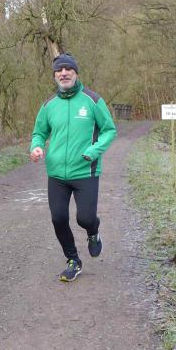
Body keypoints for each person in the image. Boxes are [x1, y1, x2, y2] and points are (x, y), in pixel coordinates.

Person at [29, 53, 117, 282]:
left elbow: (109, 130)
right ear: (55, 76)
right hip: (57, 174)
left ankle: (93, 231)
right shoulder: (49, 105)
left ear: (76, 73)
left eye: (68, 69)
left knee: (85, 219)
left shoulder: (92, 100)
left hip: (86, 171)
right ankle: (73, 260)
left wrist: (94, 150)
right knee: (58, 218)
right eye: (59, 70)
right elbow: (39, 132)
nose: (64, 73)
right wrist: (36, 146)